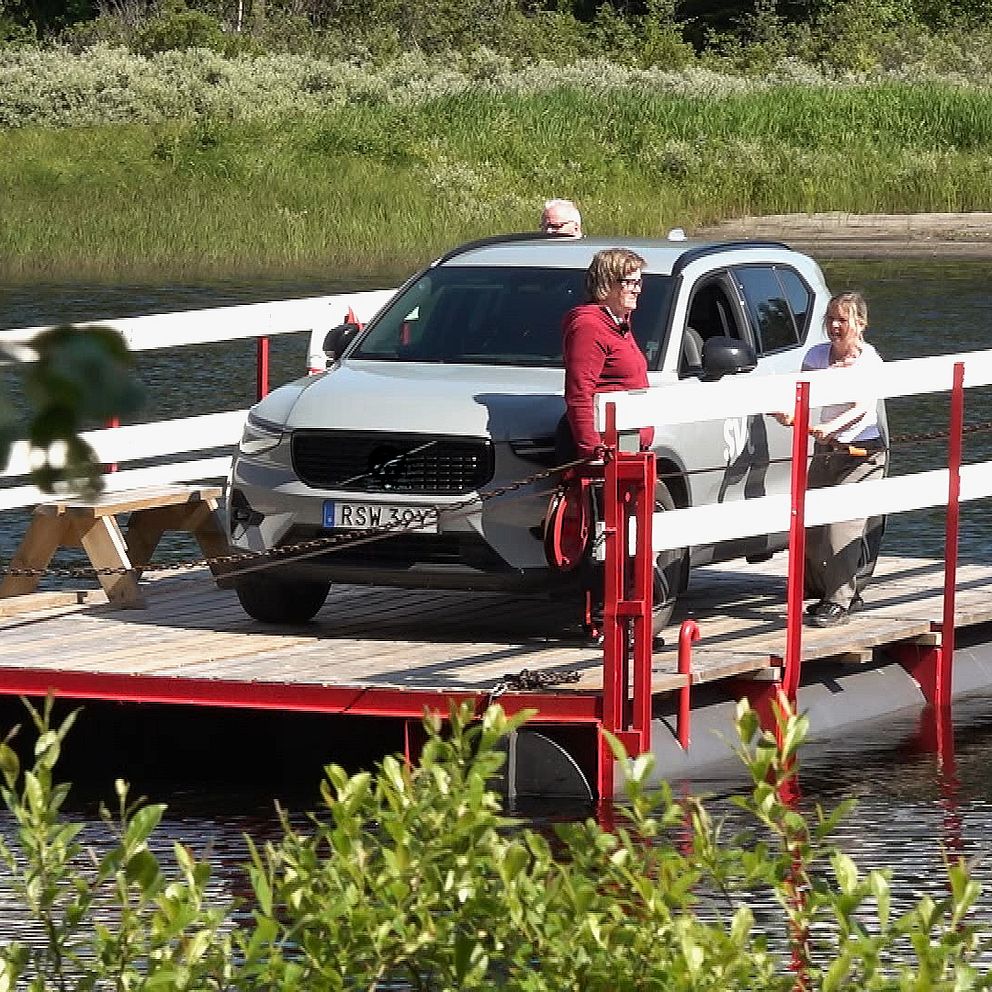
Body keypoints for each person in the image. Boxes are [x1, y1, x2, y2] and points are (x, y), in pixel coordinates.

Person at [776, 291, 887, 628]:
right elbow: (801, 394)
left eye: (843, 319)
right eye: (831, 319)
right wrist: (788, 412)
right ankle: (832, 591)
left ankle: (838, 601)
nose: (835, 326)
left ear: (861, 324)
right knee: (811, 527)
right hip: (827, 453)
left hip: (862, 454)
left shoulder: (870, 361)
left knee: (842, 529)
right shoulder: (816, 356)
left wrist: (831, 427)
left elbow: (862, 408)